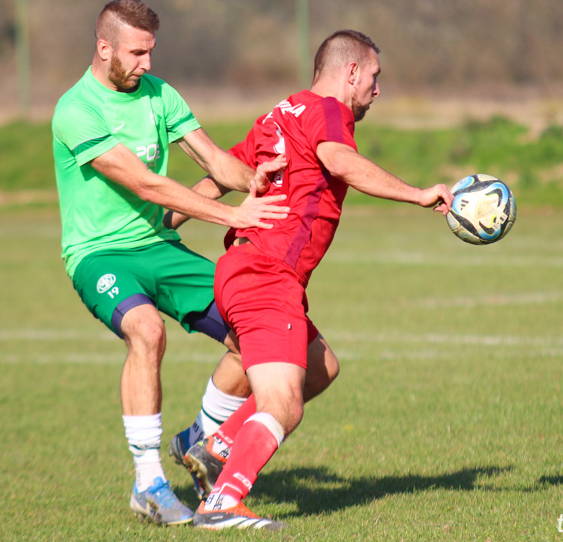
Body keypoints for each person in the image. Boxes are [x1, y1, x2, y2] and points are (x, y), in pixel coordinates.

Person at [176, 29, 455, 531]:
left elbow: (222, 173)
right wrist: (417, 194)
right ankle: (222, 502)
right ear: (350, 72)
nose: (377, 88)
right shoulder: (330, 112)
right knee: (284, 403)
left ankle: (218, 445)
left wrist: (164, 221)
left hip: (245, 267)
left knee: (320, 366)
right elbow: (340, 161)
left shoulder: (277, 116)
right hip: (267, 272)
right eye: (374, 76)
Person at [50, 0, 292, 526]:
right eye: (136, 53)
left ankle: (200, 439)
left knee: (257, 337)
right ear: (104, 47)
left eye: (151, 52)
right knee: (147, 331)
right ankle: (150, 483)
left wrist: (250, 178)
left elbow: (213, 159)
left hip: (160, 249)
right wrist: (233, 216)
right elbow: (146, 182)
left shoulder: (160, 94)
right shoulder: (76, 110)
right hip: (100, 254)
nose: (147, 65)